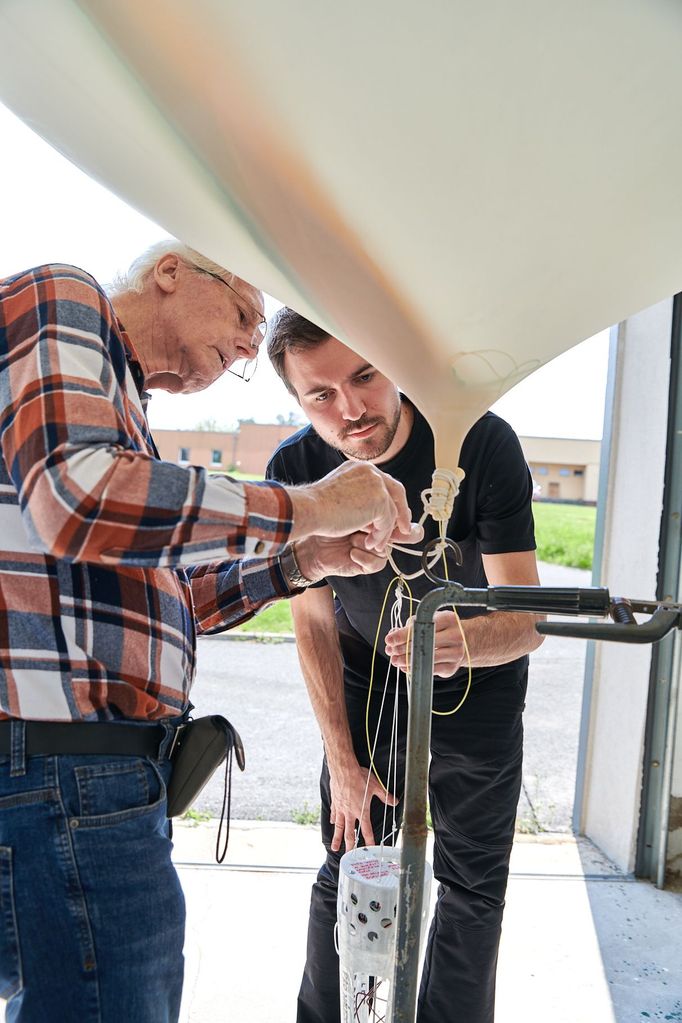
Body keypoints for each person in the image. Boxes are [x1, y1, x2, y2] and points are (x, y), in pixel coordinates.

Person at [0, 245, 418, 1023]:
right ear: (171, 272)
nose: (241, 352)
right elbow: (79, 498)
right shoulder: (65, 296)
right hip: (65, 772)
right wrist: (308, 506)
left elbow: (164, 603)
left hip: (64, 773)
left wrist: (302, 560)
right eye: (242, 318)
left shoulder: (121, 411)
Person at [265, 308, 545, 1023]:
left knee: (471, 884)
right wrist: (343, 761)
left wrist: (467, 641)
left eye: (364, 375)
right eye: (320, 395)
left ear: (396, 363)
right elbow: (311, 621)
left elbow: (529, 615)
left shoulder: (480, 442)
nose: (351, 409)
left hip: (476, 678)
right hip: (364, 674)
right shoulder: (296, 469)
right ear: (297, 401)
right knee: (350, 858)